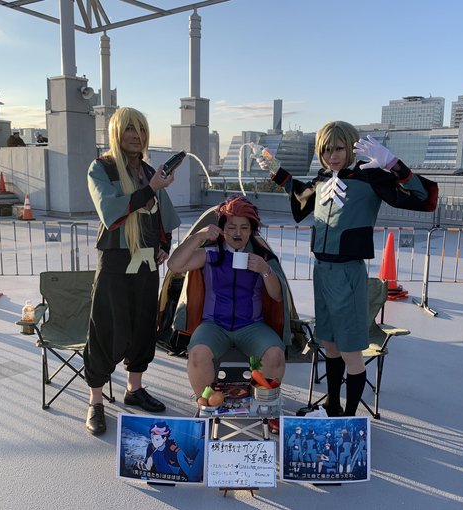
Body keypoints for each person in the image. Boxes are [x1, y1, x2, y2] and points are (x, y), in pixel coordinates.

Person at [257, 122, 437, 417]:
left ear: (351, 147)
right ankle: (332, 405)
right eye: (326, 149)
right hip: (321, 271)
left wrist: (393, 165)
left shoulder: (370, 176)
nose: (333, 155)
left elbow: (422, 198)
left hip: (348, 272)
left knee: (351, 351)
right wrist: (276, 170)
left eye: (339, 148)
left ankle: (349, 418)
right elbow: (302, 194)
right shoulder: (323, 178)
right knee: (329, 344)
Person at [84, 107, 180, 435]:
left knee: (142, 327)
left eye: (140, 129)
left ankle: (134, 388)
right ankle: (96, 400)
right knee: (105, 328)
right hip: (115, 259)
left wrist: (164, 243)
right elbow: (110, 211)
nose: (136, 136)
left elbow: (163, 215)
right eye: (129, 129)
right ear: (116, 132)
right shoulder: (102, 168)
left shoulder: (151, 171)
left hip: (147, 262)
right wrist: (151, 188)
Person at [167, 196, 286, 399]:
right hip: (213, 325)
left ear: (252, 230)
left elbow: (277, 296)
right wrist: (198, 236)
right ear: (222, 229)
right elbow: (174, 265)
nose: (238, 233)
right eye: (231, 227)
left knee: (275, 355)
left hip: (252, 325)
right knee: (197, 355)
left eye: (244, 227)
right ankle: (208, 403)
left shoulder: (263, 257)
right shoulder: (210, 254)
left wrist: (265, 270)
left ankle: (264, 404)